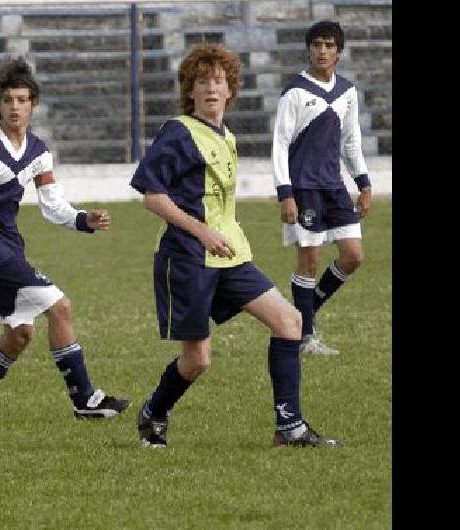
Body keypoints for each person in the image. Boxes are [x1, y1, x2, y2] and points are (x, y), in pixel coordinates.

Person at [129, 43, 343, 448]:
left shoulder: (226, 135)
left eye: (218, 81)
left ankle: (289, 427)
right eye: (202, 82)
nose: (210, 88)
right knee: (198, 360)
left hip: (231, 255)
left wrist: (222, 234)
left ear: (231, 91)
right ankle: (154, 413)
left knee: (290, 322)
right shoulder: (178, 131)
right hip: (188, 257)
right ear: (189, 91)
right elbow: (152, 197)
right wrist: (202, 231)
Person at [0, 58, 130, 421]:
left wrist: (81, 219)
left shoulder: (39, 153)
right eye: (8, 100)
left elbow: (52, 205)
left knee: (19, 334)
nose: (14, 107)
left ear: (33, 105)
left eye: (22, 100)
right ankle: (85, 399)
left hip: (9, 245)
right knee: (60, 307)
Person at [272, 20, 372, 355]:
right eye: (317, 44)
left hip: (335, 187)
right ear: (308, 49)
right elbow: (280, 144)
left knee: (353, 256)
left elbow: (351, 141)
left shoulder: (347, 92)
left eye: (329, 45)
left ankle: (304, 311)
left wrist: (364, 182)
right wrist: (285, 193)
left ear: (339, 52)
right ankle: (306, 337)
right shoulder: (295, 91)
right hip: (304, 188)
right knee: (309, 263)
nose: (322, 51)